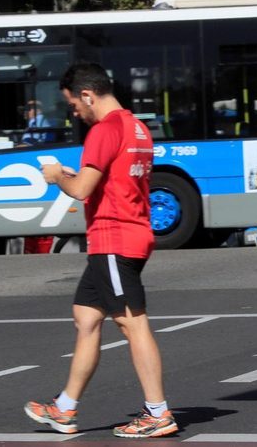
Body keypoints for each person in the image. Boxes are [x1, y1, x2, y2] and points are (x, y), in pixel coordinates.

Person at [25, 63, 178, 438]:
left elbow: (81, 190)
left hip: (115, 238)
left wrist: (56, 175)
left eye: (74, 105)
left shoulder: (105, 130)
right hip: (125, 236)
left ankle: (158, 413)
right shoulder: (136, 126)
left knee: (131, 322)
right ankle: (64, 408)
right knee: (86, 317)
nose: (75, 112)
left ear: (88, 95)